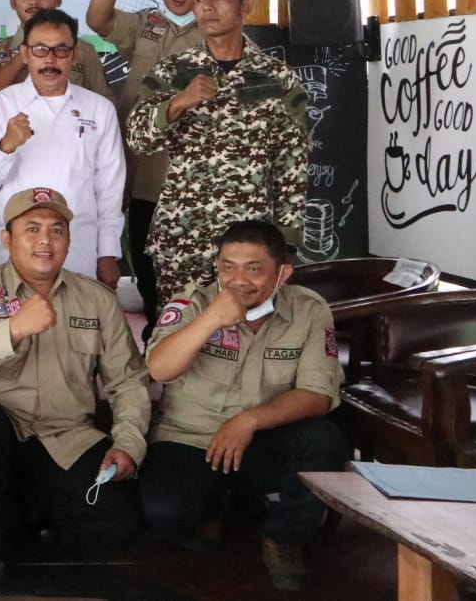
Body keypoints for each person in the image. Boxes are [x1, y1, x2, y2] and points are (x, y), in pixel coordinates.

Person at [0, 187, 150, 581]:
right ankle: (2, 525)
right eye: (31, 229)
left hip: (64, 437)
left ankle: (29, 510)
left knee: (118, 521)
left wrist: (128, 443)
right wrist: (12, 330)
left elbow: (128, 381)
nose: (45, 240)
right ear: (7, 239)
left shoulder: (96, 299)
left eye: (56, 230)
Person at [142, 219, 346, 592]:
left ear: (282, 273)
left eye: (254, 269)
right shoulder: (192, 302)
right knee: (165, 515)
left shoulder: (309, 309)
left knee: (323, 438)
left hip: (263, 438)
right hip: (191, 439)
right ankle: (218, 505)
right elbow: (159, 368)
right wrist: (210, 320)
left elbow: (317, 394)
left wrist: (249, 420)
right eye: (228, 267)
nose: (238, 280)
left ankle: (283, 537)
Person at [126, 0, 310, 303]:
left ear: (245, 5)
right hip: (183, 238)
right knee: (180, 328)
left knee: (249, 327)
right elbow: (138, 139)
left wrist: (286, 244)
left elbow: (292, 166)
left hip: (250, 243)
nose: (207, 7)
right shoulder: (173, 72)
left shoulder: (277, 78)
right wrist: (178, 102)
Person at [85, 0, 211, 329]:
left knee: (195, 286)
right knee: (147, 273)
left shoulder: (217, 33)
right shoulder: (147, 24)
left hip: (192, 186)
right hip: (142, 177)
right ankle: (158, 348)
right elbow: (98, 20)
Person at [0, 8, 125, 286]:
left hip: (80, 250)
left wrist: (108, 253)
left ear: (74, 55)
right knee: (13, 315)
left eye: (60, 50)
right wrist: (6, 147)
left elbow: (109, 190)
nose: (50, 60)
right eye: (40, 49)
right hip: (13, 252)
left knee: (79, 314)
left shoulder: (99, 110)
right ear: (25, 53)